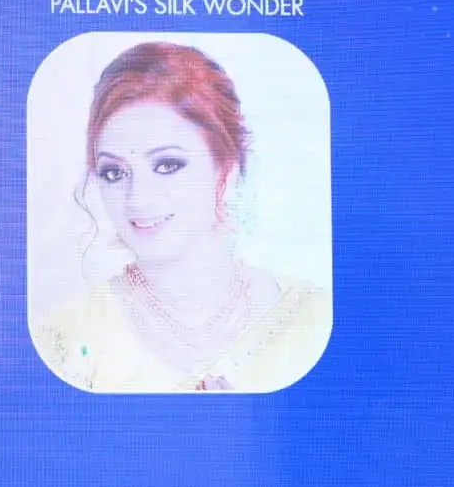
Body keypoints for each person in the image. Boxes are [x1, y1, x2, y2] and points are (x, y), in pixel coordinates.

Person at [33, 41, 331, 392]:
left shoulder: (311, 320)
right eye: (114, 173)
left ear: (226, 169)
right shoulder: (67, 339)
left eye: (167, 165)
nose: (138, 199)